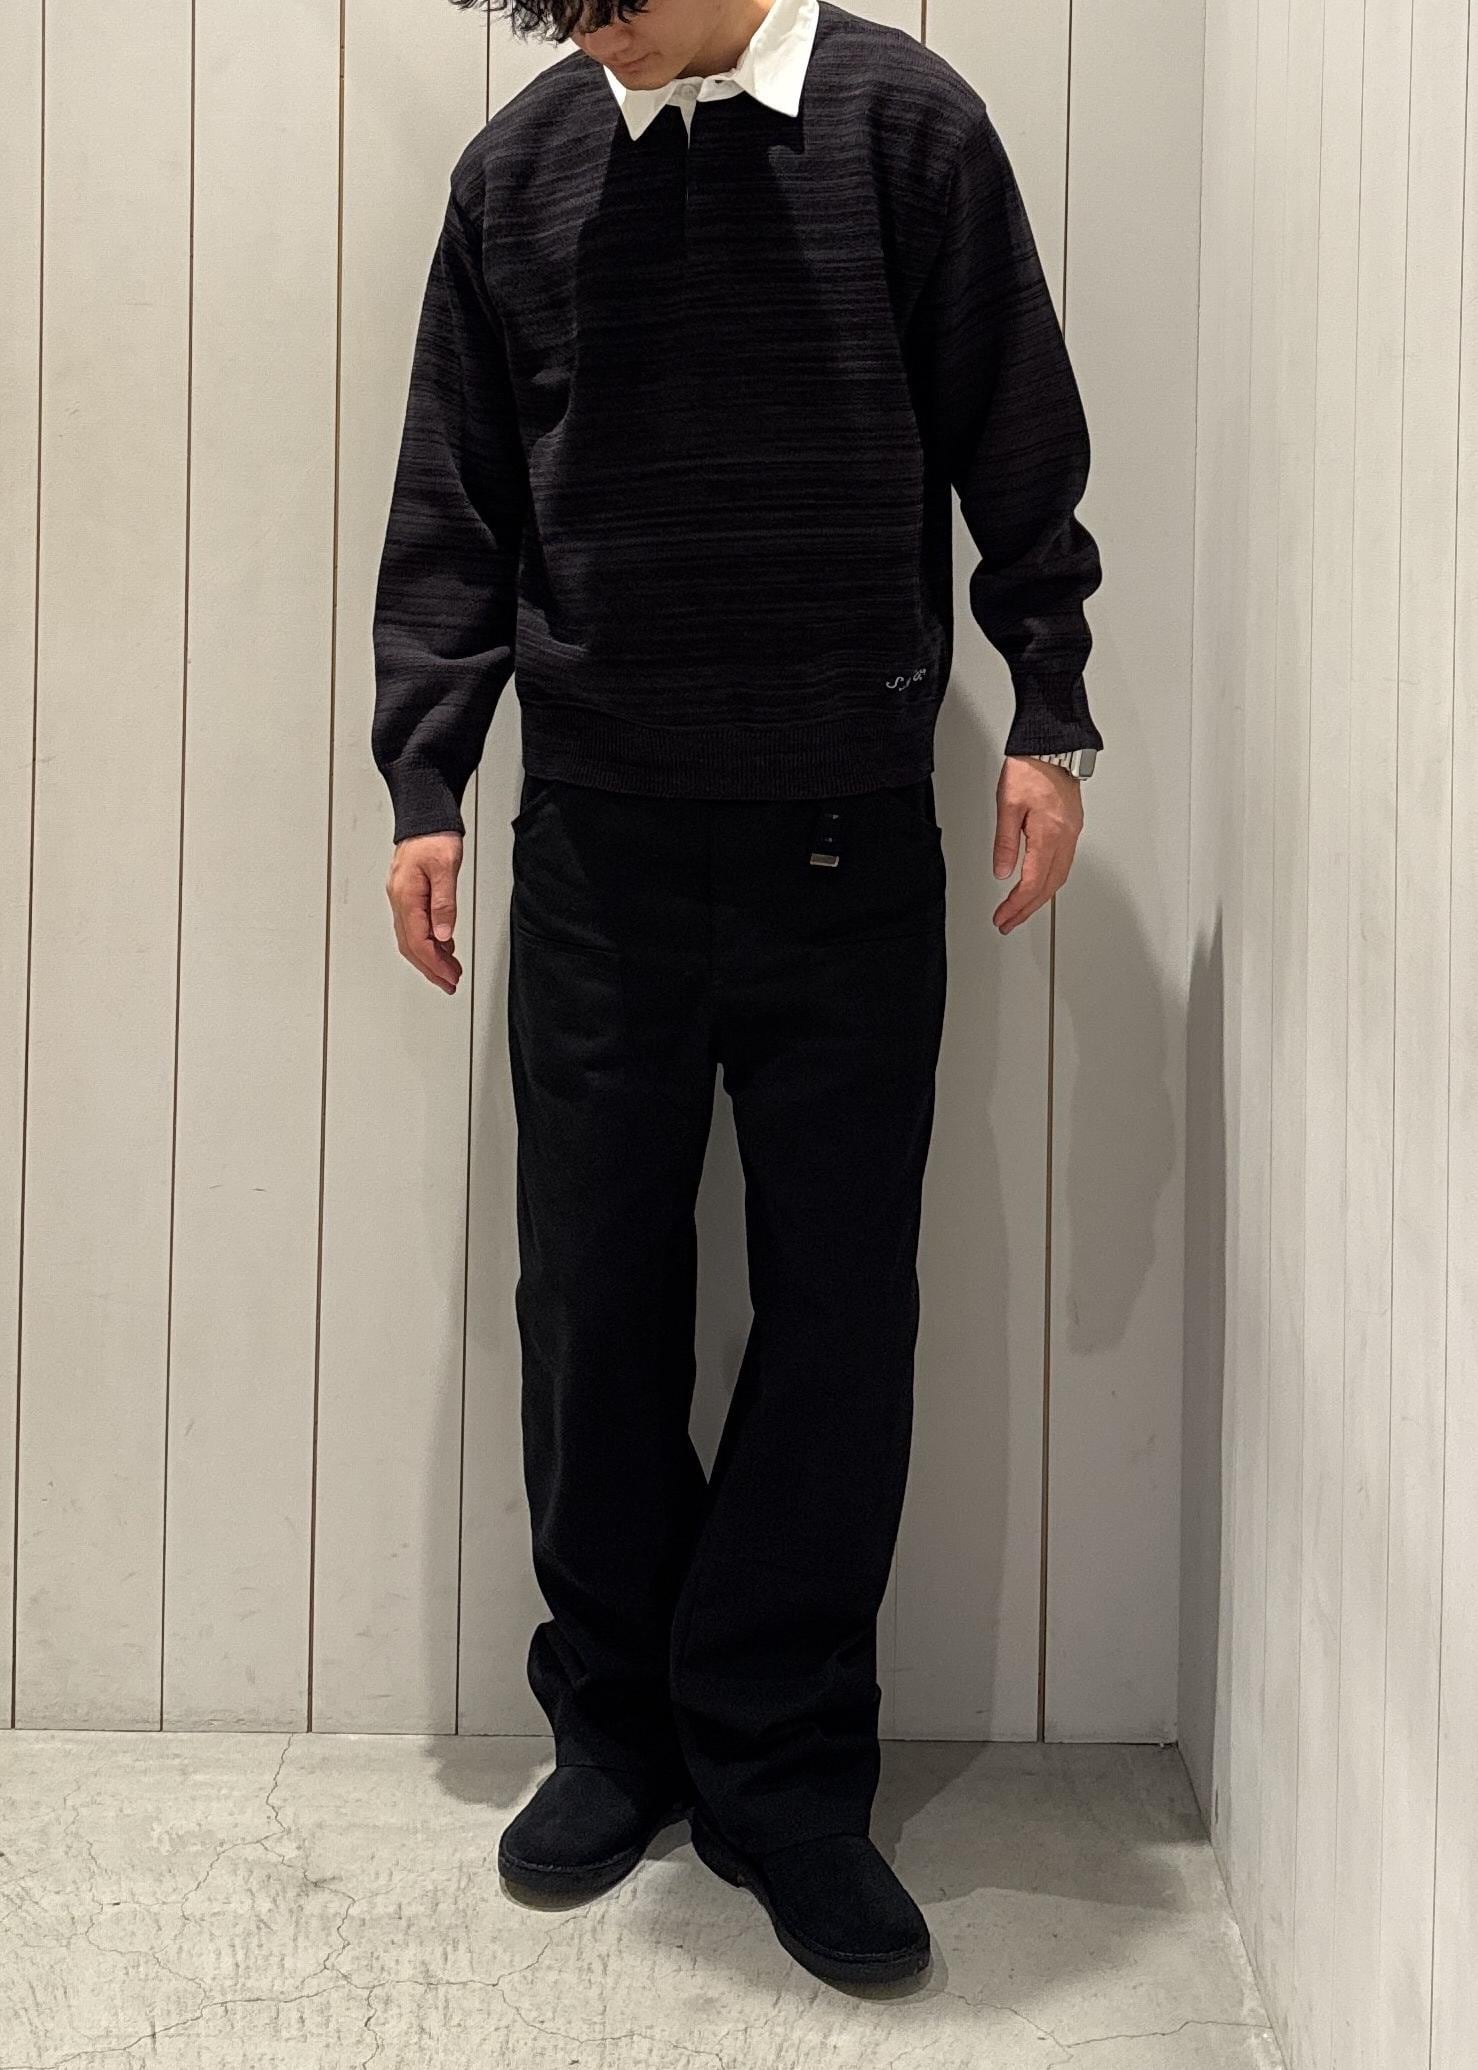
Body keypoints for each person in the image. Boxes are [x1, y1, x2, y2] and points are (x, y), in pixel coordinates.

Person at [371, 0, 1102, 1991]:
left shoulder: (906, 130)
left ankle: (782, 1771)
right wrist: (427, 778)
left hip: (845, 840)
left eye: (602, 1)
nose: (586, 40)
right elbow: (455, 498)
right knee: (590, 1298)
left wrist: (1047, 709)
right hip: (595, 845)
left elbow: (1014, 429)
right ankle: (615, 1730)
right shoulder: (519, 173)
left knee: (839, 1306)